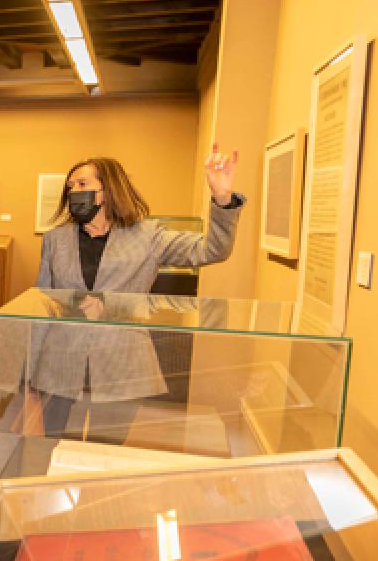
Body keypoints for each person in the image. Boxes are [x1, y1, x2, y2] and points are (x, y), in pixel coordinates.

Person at [32, 144, 243, 443]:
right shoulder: (55, 240)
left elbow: (212, 249)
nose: (73, 192)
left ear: (109, 190)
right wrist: (30, 369)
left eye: (82, 184)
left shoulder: (148, 236)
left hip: (122, 365)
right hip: (60, 365)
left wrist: (222, 198)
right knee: (52, 449)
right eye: (70, 187)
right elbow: (43, 304)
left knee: (104, 453)